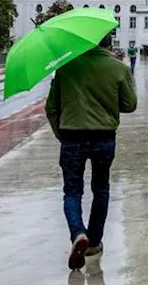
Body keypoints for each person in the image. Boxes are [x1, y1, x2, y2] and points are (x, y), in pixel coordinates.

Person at [46, 32, 137, 270]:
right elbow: (130, 105)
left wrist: (61, 133)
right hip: (103, 136)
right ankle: (94, 242)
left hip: (72, 136)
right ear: (109, 43)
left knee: (72, 192)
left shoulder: (65, 68)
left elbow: (51, 107)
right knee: (101, 189)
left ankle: (78, 233)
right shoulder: (118, 68)